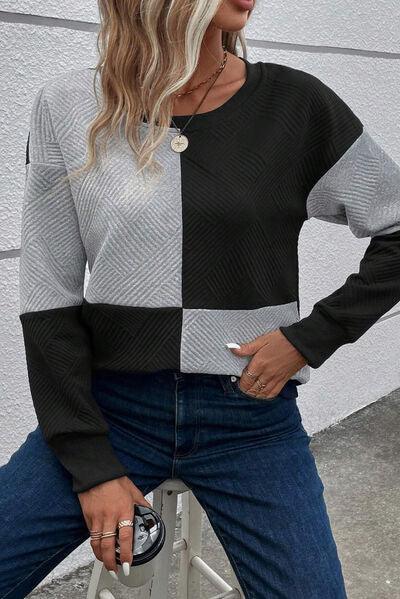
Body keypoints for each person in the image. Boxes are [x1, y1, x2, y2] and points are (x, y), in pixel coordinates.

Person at [1, 0, 400, 597]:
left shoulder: (295, 105)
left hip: (248, 419)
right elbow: (48, 298)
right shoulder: (67, 106)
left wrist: (308, 339)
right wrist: (93, 467)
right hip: (110, 412)